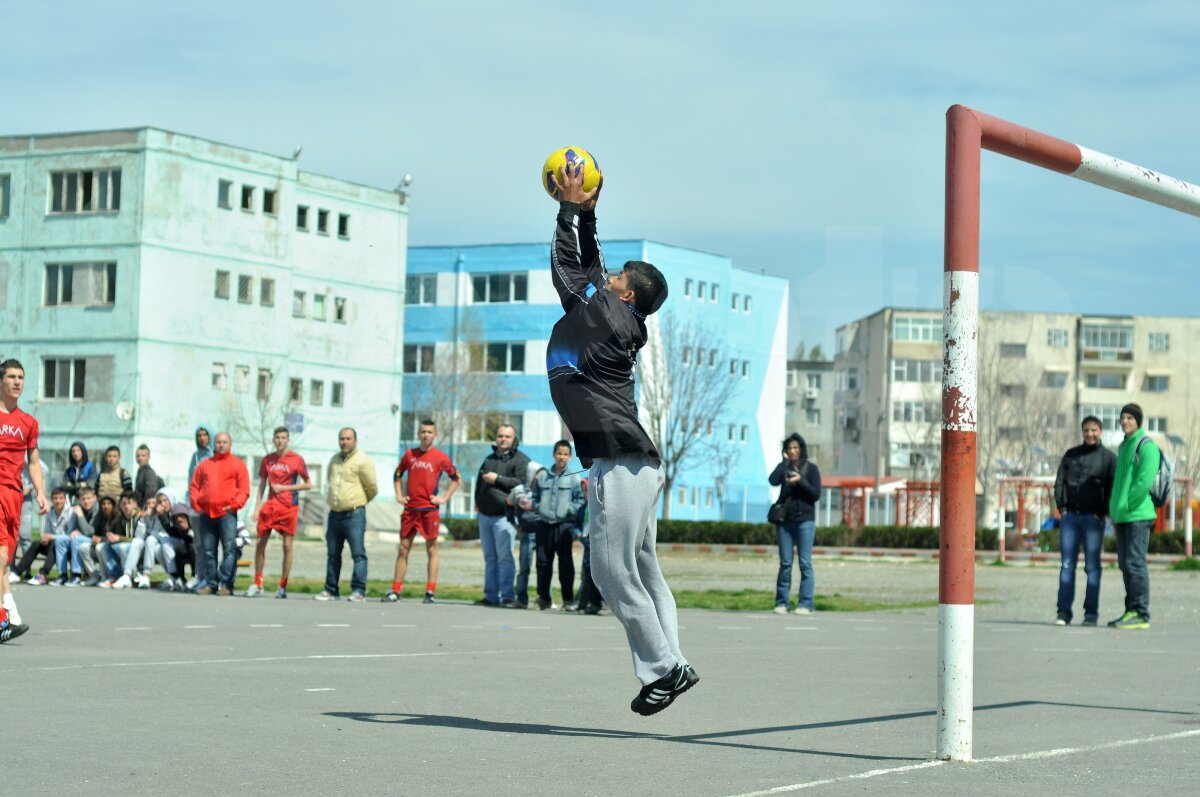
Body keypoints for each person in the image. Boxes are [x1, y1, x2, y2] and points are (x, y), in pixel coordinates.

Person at [545, 167, 696, 715]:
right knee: (644, 569)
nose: (607, 278)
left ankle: (665, 668)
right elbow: (591, 267)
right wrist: (587, 213)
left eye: (617, 278)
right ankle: (672, 661)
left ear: (627, 293)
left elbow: (569, 271)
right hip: (635, 463)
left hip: (618, 460)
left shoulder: (604, 314)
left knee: (609, 570)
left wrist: (565, 211)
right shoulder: (615, 312)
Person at [386, 419, 460, 604]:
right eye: (423, 432)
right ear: (418, 434)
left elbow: (455, 478)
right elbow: (397, 475)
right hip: (410, 509)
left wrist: (443, 498)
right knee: (403, 548)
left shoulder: (440, 457)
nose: (426, 435)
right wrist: (399, 495)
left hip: (429, 510)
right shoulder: (409, 455)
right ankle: (396, 590)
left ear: (435, 435)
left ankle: (430, 591)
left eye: (429, 432)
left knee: (432, 549)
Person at [1052, 416, 1116, 626]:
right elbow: (1060, 481)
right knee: (1067, 565)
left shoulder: (1108, 458)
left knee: (1092, 568)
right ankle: (1063, 612)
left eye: (1094, 430)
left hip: (1094, 519)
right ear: (1082, 432)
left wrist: (1104, 511)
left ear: (1101, 431)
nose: (1090, 434)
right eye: (1087, 430)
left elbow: (1112, 488)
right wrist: (1062, 508)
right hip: (1070, 518)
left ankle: (1090, 615)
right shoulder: (1071, 455)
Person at [1, 359, 44, 642]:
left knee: (4, 563)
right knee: (0, 558)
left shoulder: (28, 422)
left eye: (21, 377)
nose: (17, 382)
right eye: (12, 377)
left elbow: (34, 462)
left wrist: (40, 491)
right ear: (1, 381)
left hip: (15, 497)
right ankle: (4, 618)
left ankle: (10, 614)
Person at [1107, 403, 1160, 630]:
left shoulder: (1146, 446)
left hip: (1138, 515)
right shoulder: (1123, 446)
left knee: (1136, 564)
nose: (1125, 421)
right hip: (1123, 516)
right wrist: (1115, 508)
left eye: (1130, 417)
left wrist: (1127, 504)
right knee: (1125, 564)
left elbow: (1144, 481)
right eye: (1122, 417)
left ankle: (1140, 612)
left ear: (1138, 420)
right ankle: (1131, 610)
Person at [249, 426, 312, 598]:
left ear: (288, 440)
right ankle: (258, 582)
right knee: (260, 544)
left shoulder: (296, 459)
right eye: (277, 437)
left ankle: (282, 586)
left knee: (287, 546)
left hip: (288, 507)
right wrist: (256, 508)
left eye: (283, 437)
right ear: (273, 440)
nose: (280, 441)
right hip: (270, 507)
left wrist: (285, 487)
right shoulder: (267, 460)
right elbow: (262, 484)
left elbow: (308, 484)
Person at [317, 428, 377, 602]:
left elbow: (372, 487)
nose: (344, 442)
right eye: (341, 439)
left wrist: (359, 501)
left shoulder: (363, 460)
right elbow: (331, 480)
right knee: (333, 554)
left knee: (358, 554)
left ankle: (358, 590)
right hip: (335, 514)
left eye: (348, 439)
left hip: (354, 514)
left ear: (355, 441)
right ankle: (331, 589)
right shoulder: (334, 460)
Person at [473, 424, 529, 608]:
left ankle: (507, 596)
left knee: (505, 557)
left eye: (507, 436)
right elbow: (479, 484)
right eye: (500, 436)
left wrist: (497, 479)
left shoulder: (521, 460)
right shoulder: (488, 459)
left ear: (514, 439)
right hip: (485, 515)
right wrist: (477, 503)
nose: (503, 439)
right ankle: (490, 596)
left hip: (505, 517)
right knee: (490, 557)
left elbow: (521, 483)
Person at [189, 431, 250, 596]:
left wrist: (234, 505)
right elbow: (194, 486)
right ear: (213, 444)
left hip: (227, 515)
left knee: (229, 549)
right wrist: (196, 504)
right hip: (207, 514)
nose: (221, 445)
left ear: (230, 445)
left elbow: (244, 489)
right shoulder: (204, 464)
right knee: (209, 551)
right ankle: (211, 584)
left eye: (224, 442)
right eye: (218, 442)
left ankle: (226, 584)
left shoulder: (237, 464)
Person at [768, 433, 823, 615]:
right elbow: (772, 480)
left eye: (796, 448)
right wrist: (784, 464)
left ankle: (806, 604)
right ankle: (782, 602)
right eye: (790, 448)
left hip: (805, 522)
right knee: (785, 562)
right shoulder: (784, 468)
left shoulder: (811, 469)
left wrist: (801, 481)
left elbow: (816, 494)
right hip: (785, 522)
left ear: (802, 449)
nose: (793, 451)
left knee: (805, 563)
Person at [531, 440, 584, 610]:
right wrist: (538, 507)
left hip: (564, 526)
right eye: (559, 453)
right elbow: (534, 497)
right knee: (543, 562)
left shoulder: (574, 478)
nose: (561, 457)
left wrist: (569, 510)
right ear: (554, 454)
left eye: (565, 454)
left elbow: (580, 499)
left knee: (566, 564)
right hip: (544, 524)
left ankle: (567, 600)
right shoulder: (543, 475)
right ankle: (544, 598)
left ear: (569, 457)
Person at [19, 487, 78, 585]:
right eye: (55, 498)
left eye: (61, 498)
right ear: (52, 500)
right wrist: (45, 538)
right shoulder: (50, 512)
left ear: (65, 499)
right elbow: (47, 532)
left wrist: (53, 537)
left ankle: (42, 574)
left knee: (56, 544)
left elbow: (71, 536)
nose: (58, 501)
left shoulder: (71, 513)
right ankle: (17, 571)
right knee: (36, 544)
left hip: (67, 547)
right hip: (53, 544)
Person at [511, 460, 546, 608]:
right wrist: (513, 523)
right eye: (538, 473)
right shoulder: (519, 490)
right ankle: (521, 599)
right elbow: (508, 504)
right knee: (524, 567)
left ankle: (544, 599)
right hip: (526, 534)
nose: (540, 477)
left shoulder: (545, 489)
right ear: (531, 473)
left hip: (542, 533)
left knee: (543, 567)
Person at [571, 478, 604, 615]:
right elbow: (576, 525)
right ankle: (584, 602)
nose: (586, 493)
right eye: (584, 491)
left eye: (588, 490)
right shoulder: (582, 508)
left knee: (594, 573)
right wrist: (577, 533)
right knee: (587, 572)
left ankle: (595, 602)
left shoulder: (601, 507)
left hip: (596, 542)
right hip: (587, 541)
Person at [70, 486, 105, 586]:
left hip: (100, 541)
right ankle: (63, 575)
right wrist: (75, 530)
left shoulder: (97, 509)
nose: (86, 502)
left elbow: (90, 531)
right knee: (64, 540)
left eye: (88, 498)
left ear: (94, 497)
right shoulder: (79, 508)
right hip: (87, 540)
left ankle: (76, 574)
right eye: (83, 499)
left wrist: (80, 516)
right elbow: (72, 529)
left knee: (76, 540)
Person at [133, 444, 165, 509]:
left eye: (143, 456)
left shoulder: (150, 473)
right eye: (138, 456)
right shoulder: (140, 471)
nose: (140, 458)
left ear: (149, 457)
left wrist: (145, 509)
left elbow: (151, 495)